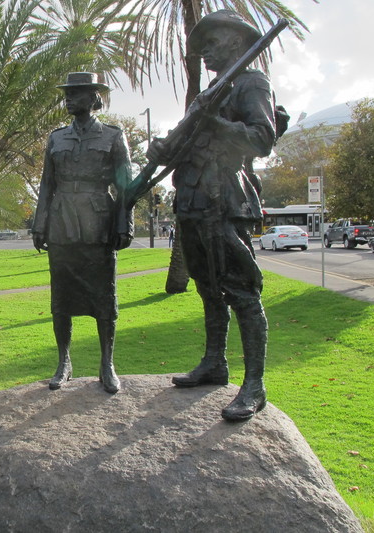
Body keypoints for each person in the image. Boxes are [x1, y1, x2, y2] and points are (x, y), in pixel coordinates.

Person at [147, 10, 275, 421]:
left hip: (224, 199)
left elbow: (261, 139)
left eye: (213, 43)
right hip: (192, 198)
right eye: (201, 46)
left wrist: (215, 123)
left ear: (238, 42)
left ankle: (254, 384)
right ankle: (214, 363)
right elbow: (186, 144)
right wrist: (164, 150)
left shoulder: (250, 83)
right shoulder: (213, 90)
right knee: (207, 286)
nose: (204, 52)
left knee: (241, 290)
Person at [32, 72, 134, 394]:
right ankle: (64, 361)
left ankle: (107, 363)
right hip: (62, 223)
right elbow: (47, 184)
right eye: (67, 93)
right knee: (61, 299)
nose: (69, 99)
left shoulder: (113, 136)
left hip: (98, 224)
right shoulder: (56, 138)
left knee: (104, 297)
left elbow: (125, 187)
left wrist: (124, 224)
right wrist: (39, 223)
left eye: (76, 93)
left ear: (93, 98)